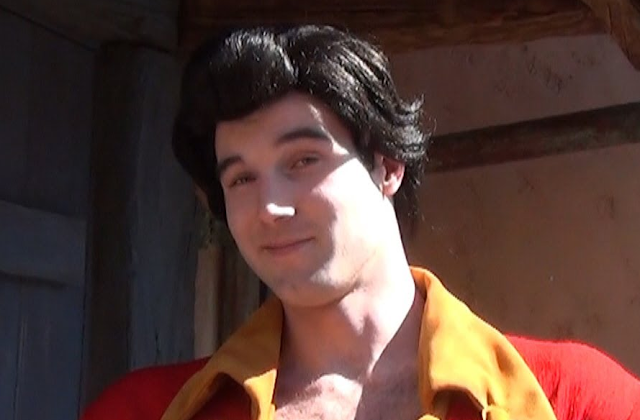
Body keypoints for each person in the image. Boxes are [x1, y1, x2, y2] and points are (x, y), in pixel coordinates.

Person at [82, 25, 640, 420]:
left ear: (387, 166)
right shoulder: (143, 411)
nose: (269, 206)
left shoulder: (575, 400)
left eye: (303, 161)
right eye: (241, 178)